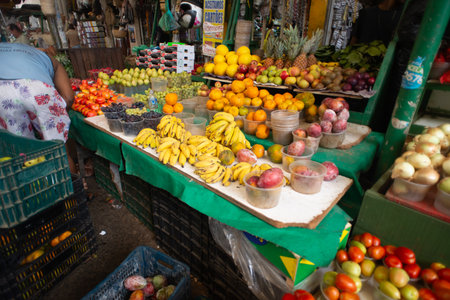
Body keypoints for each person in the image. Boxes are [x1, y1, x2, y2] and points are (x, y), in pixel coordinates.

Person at [0, 43, 75, 171]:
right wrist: (56, 118)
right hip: (38, 89)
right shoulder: (47, 58)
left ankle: (36, 188)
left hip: (3, 94)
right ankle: (71, 188)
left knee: (22, 155)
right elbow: (68, 98)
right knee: (60, 152)